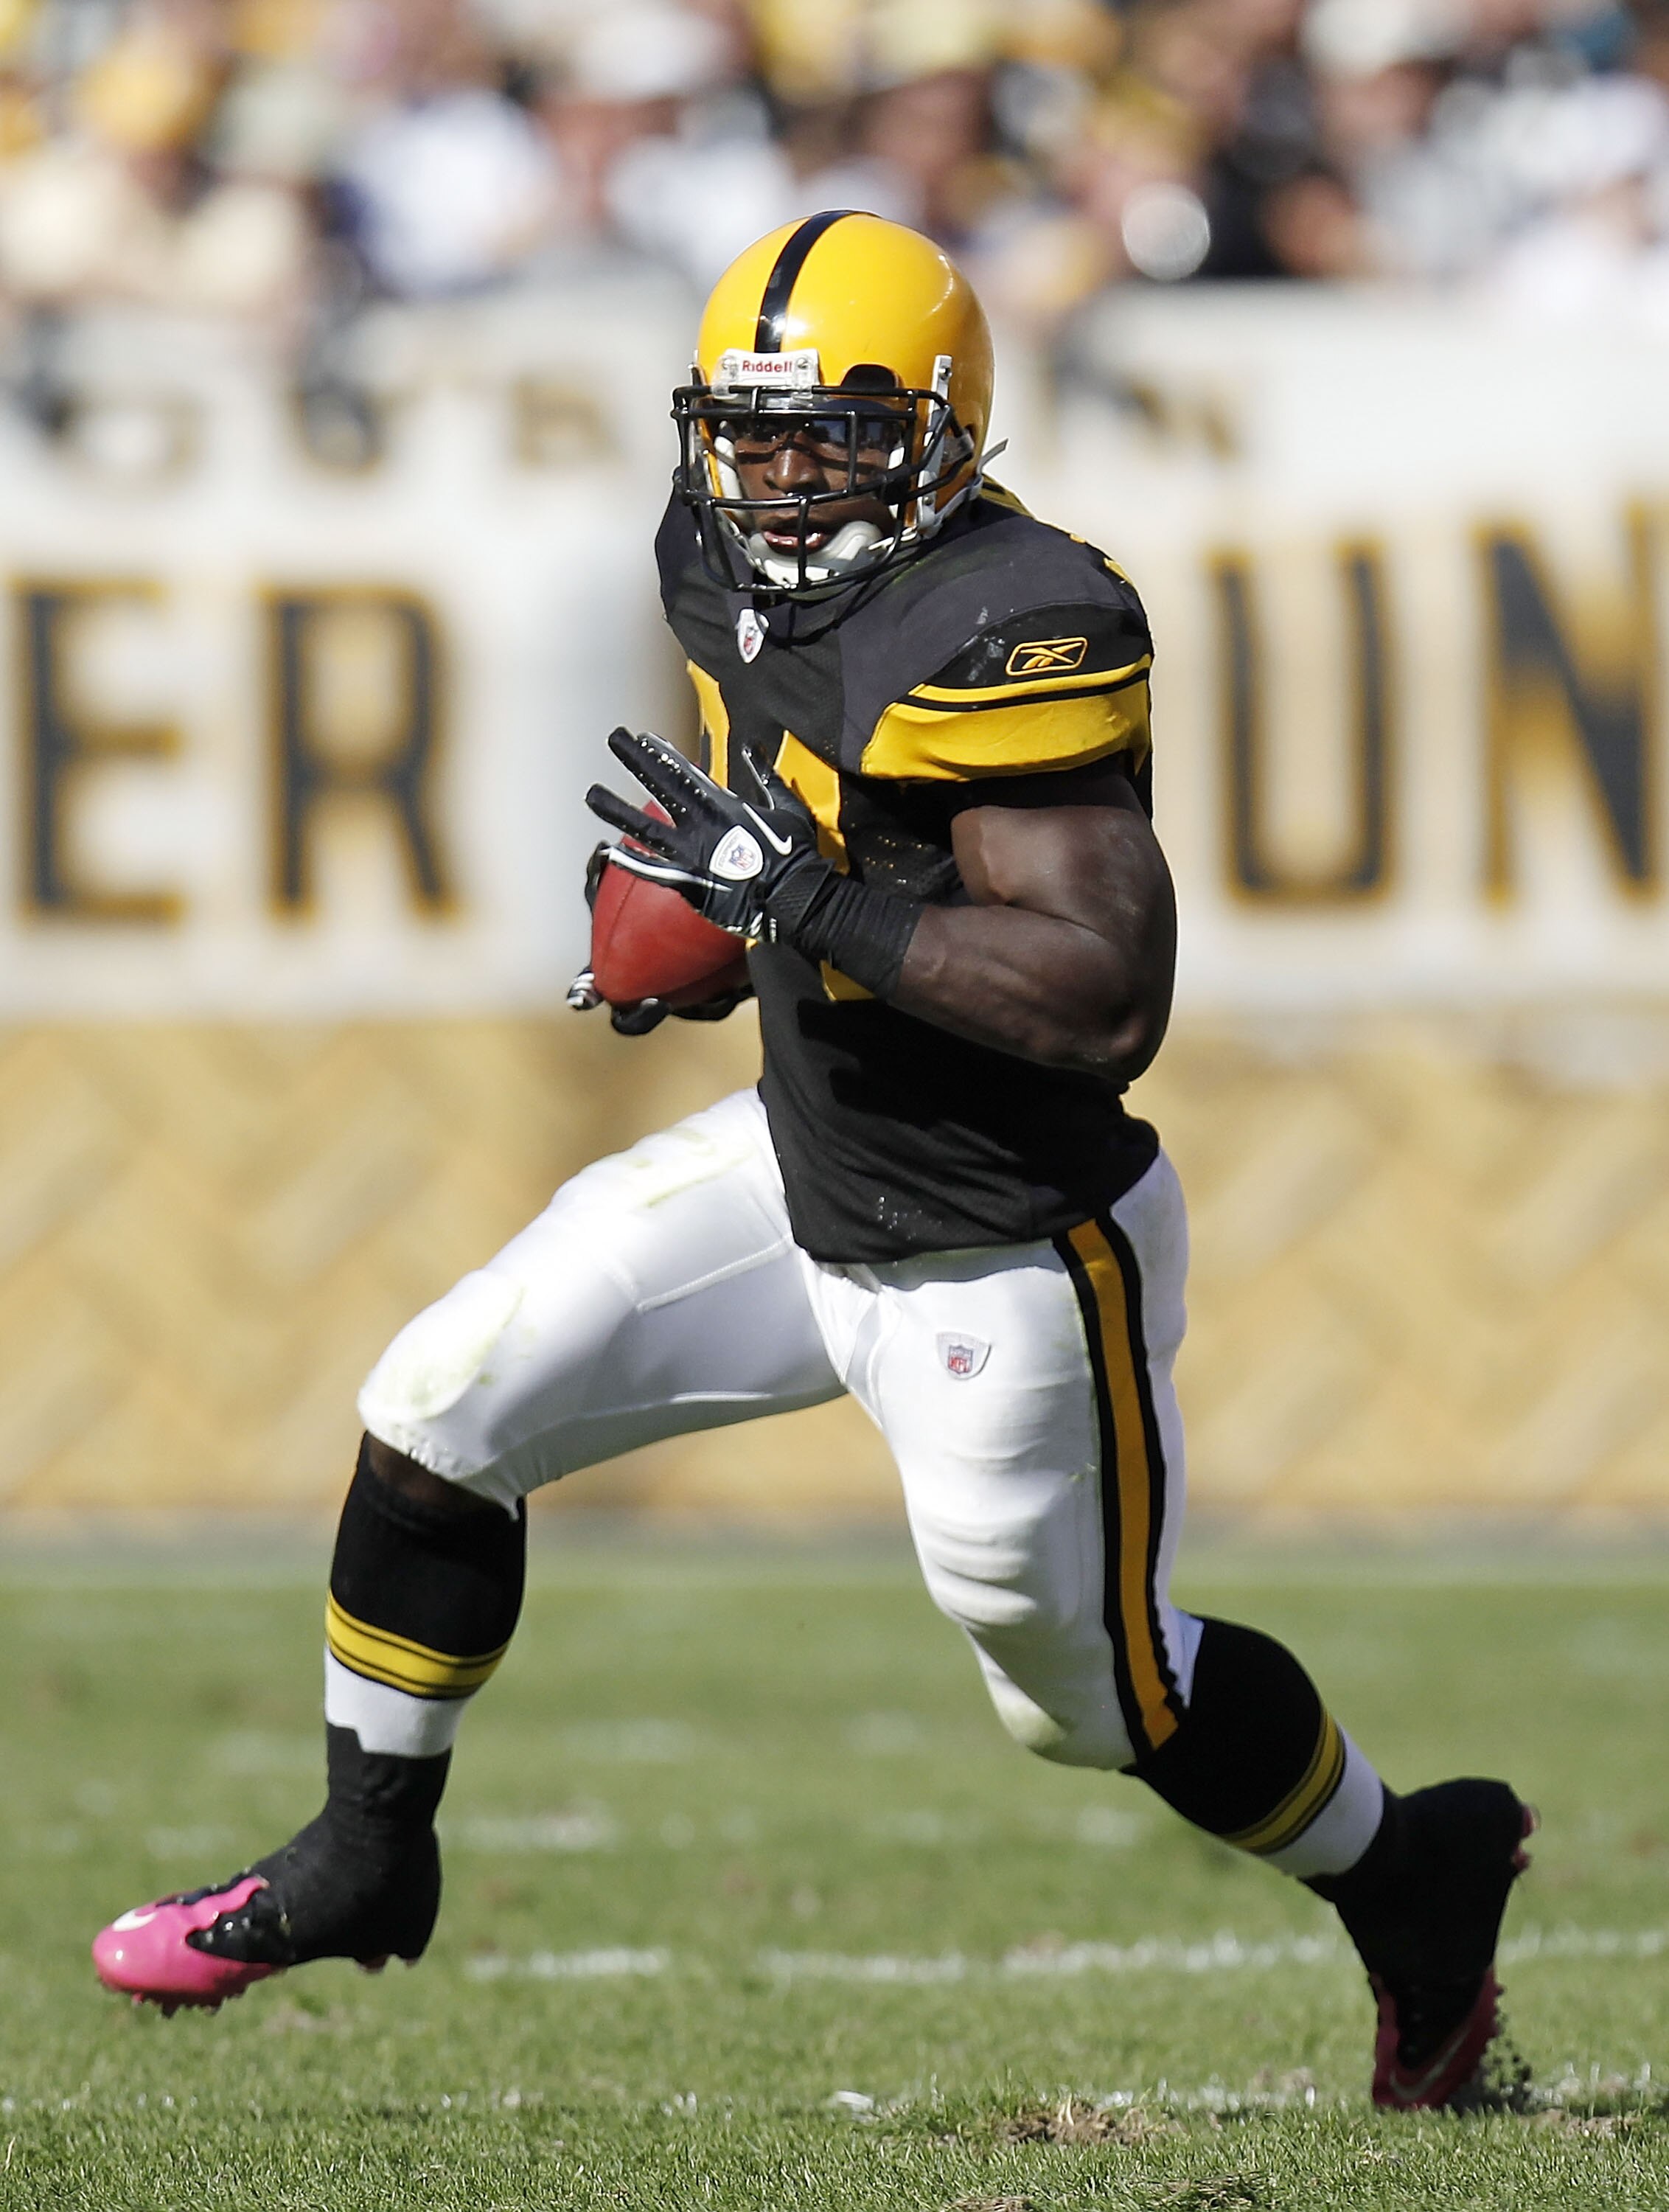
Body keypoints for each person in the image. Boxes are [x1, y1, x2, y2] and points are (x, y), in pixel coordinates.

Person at [92, 211, 1532, 2112]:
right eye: (751, 434)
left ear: (941, 429)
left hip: (1004, 1242)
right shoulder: (711, 555)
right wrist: (712, 918)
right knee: (440, 1405)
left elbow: (1105, 994)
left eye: (834, 437)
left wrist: (802, 903)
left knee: (1100, 1698)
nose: (781, 480)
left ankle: (1412, 1872)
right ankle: (366, 1854)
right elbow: (790, 824)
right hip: (803, 1165)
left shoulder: (1012, 620)